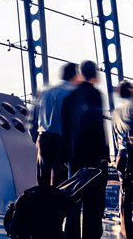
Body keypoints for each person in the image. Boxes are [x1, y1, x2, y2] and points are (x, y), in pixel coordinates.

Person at [61, 60, 109, 239]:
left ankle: (71, 235)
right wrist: (103, 155)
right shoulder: (95, 94)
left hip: (74, 157)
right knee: (94, 203)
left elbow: (64, 128)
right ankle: (91, 236)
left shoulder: (69, 97)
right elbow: (97, 124)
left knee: (73, 198)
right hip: (93, 156)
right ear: (94, 74)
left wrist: (65, 155)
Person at [30, 63, 79, 187]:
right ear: (75, 76)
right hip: (62, 140)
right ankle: (56, 206)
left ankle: (42, 205)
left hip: (44, 138)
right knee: (60, 182)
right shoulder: (73, 93)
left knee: (43, 180)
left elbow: (32, 119)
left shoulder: (44, 91)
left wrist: (36, 138)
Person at [113, 81, 133, 239]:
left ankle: (125, 230)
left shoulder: (116, 111)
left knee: (124, 194)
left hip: (121, 156)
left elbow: (116, 137)